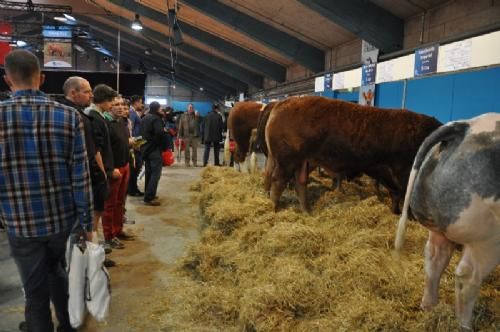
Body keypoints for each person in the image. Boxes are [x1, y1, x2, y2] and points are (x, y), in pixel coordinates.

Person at [0, 49, 92, 332]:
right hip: (60, 221)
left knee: (34, 289)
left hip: (19, 222)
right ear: (42, 78)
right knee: (57, 271)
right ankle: (67, 325)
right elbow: (80, 176)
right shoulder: (68, 116)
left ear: (7, 80)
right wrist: (87, 223)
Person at [86, 84, 118, 261]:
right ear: (104, 100)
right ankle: (95, 255)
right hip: (99, 172)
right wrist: (105, 171)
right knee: (95, 215)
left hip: (100, 170)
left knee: (97, 214)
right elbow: (97, 148)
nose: (112, 104)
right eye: (111, 101)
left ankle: (96, 251)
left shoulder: (97, 116)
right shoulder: (94, 117)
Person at [102, 96, 132, 249]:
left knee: (120, 202)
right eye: (116, 104)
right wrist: (110, 169)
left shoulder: (121, 122)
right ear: (109, 106)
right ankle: (109, 236)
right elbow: (104, 149)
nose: (120, 107)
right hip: (115, 169)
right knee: (110, 204)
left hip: (125, 165)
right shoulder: (106, 124)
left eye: (122, 104)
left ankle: (118, 230)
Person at [141, 101, 168, 206]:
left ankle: (147, 194)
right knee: (156, 174)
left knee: (149, 172)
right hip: (154, 149)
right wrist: (162, 145)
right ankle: (149, 197)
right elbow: (159, 134)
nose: (162, 110)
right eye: (160, 109)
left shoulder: (145, 118)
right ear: (156, 109)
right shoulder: (156, 119)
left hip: (145, 148)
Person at [128, 95, 145, 197]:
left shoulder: (134, 112)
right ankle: (132, 189)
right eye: (140, 102)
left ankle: (132, 188)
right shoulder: (132, 113)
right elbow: (130, 129)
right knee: (135, 167)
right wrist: (134, 144)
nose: (141, 104)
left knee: (136, 167)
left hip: (137, 143)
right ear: (136, 102)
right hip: (135, 145)